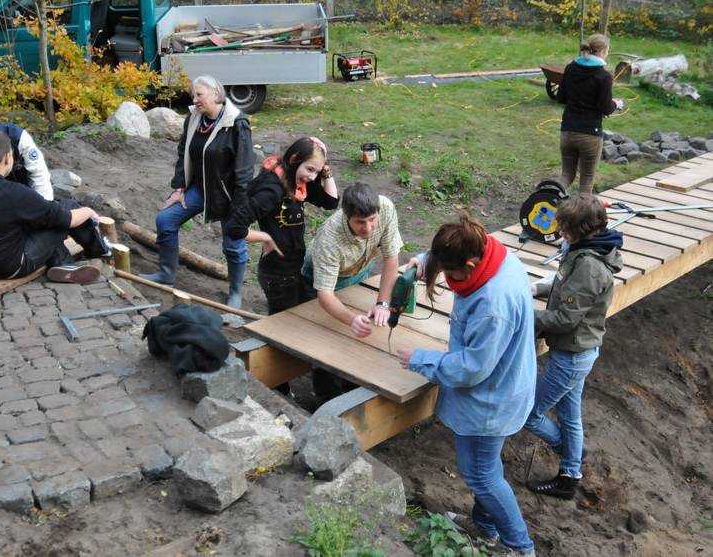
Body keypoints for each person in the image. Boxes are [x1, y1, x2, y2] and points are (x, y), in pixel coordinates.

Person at [396, 213, 537, 557]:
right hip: (506, 386)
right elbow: (452, 253)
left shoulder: (493, 304)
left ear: (471, 264)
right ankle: (485, 528)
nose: (447, 278)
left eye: (451, 272)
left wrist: (420, 359)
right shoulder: (492, 253)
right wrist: (422, 260)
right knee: (487, 467)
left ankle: (521, 547)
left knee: (481, 476)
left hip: (491, 399)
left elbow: (473, 369)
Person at [524, 195, 623, 500]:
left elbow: (566, 318)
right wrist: (538, 288)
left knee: (529, 414)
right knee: (570, 417)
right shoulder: (583, 250)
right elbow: (564, 286)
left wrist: (528, 316)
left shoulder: (590, 266)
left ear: (582, 228)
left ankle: (570, 457)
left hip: (572, 354)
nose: (560, 232)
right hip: (577, 351)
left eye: (565, 227)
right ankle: (570, 475)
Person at [140, 75, 254, 308]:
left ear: (216, 94)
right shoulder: (194, 119)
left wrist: (240, 209)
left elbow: (244, 170)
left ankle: (234, 293)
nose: (194, 99)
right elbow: (184, 154)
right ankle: (166, 273)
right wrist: (180, 187)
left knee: (232, 245)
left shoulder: (237, 123)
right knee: (165, 219)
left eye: (199, 94)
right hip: (199, 189)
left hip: (229, 196)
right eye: (194, 95)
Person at [0, 130, 106, 283]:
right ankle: (98, 253)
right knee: (68, 206)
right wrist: (88, 211)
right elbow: (66, 219)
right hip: (15, 266)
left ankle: (63, 265)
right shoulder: (15, 192)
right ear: (8, 157)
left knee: (43, 218)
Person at [224, 136, 338, 315]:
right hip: (277, 273)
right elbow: (234, 227)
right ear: (294, 159)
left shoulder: (297, 184)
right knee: (284, 323)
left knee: (297, 316)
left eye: (316, 172)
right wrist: (266, 237)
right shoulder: (273, 190)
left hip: (293, 267)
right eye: (310, 169)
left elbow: (330, 202)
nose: (312, 177)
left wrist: (326, 170)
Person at [302, 181, 402, 338]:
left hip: (361, 267)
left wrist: (382, 304)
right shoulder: (328, 239)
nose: (368, 228)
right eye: (360, 222)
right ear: (346, 216)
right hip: (324, 278)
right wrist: (353, 319)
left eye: (372, 219)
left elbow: (391, 257)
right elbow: (325, 295)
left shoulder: (386, 208)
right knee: (324, 334)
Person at [557, 33, 623, 195]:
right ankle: (582, 219)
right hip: (590, 134)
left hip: (567, 131)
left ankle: (545, 196)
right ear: (602, 51)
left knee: (566, 176)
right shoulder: (604, 76)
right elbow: (606, 108)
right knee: (586, 181)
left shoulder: (570, 68)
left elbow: (560, 97)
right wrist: (616, 103)